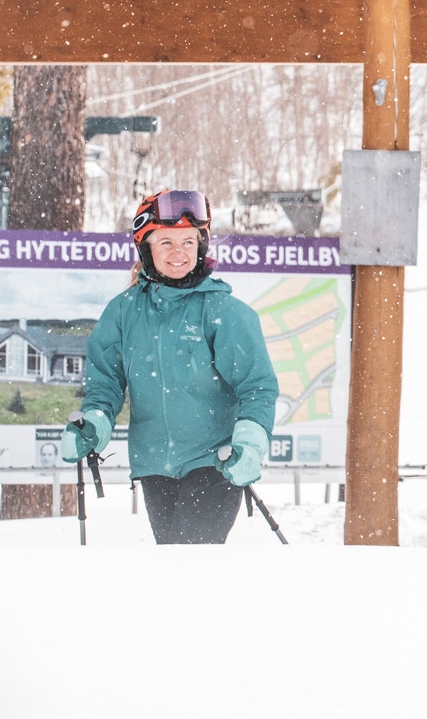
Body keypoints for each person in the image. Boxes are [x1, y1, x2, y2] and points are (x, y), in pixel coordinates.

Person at [60, 189, 280, 544]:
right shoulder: (123, 312)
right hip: (154, 466)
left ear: (201, 246)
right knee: (172, 565)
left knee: (190, 562)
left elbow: (257, 388)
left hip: (215, 463)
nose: (179, 253)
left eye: (188, 242)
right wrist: (95, 422)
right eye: (166, 242)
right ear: (146, 248)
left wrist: (250, 445)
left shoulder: (225, 312)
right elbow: (106, 384)